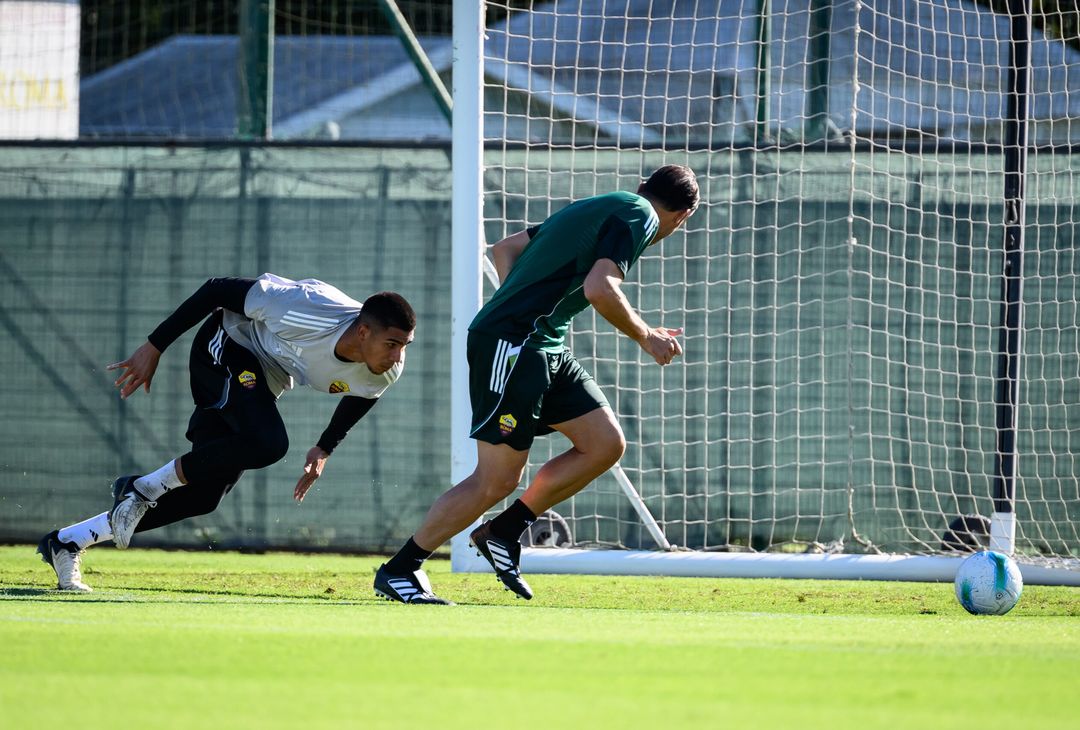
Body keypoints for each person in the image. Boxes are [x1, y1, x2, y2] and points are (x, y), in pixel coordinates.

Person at [374, 164, 699, 604]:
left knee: (604, 443)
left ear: (643, 186)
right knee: (495, 480)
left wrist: (524, 303)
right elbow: (600, 288)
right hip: (514, 345)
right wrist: (647, 336)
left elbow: (505, 248)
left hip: (543, 344)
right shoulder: (638, 215)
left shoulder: (603, 205)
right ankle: (400, 569)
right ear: (682, 217)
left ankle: (504, 531)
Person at [37, 273, 416, 592]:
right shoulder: (304, 306)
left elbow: (363, 395)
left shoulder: (385, 368)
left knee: (204, 496)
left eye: (404, 345)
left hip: (265, 376)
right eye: (392, 344)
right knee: (269, 443)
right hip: (226, 344)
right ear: (363, 331)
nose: (398, 355)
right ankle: (143, 486)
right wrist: (154, 346)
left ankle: (68, 541)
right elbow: (217, 289)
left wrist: (324, 447)